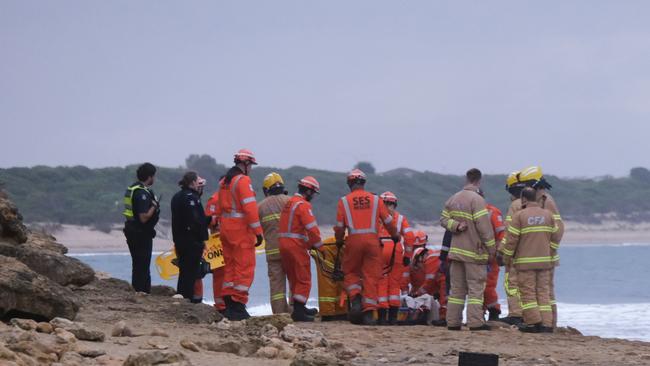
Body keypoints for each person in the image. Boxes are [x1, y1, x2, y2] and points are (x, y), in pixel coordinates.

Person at [334, 169, 400, 325]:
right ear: (364, 183)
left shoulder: (344, 201)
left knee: (350, 272)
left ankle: (356, 297)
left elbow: (339, 226)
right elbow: (388, 221)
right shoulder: (376, 200)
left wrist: (338, 240)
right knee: (371, 276)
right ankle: (369, 313)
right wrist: (395, 235)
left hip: (353, 241)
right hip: (372, 243)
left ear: (349, 183)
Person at [502, 166, 564, 327]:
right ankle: (548, 323)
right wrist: (549, 250)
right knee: (545, 291)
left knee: (521, 288)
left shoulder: (519, 205)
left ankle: (522, 317)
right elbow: (557, 230)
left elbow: (510, 234)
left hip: (524, 257)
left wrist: (504, 254)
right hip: (546, 257)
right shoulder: (548, 201)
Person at [439, 168, 496, 331]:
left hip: (456, 252)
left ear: (467, 179)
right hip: (474, 253)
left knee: (456, 290)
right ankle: (475, 322)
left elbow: (443, 219)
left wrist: (455, 226)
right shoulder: (477, 200)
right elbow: (484, 227)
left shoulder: (453, 198)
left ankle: (453, 322)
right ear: (479, 181)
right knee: (475, 289)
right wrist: (491, 249)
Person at [217, 149, 263, 320]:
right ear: (246, 163)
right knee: (244, 267)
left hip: (226, 228)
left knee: (229, 267)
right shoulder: (243, 181)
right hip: (240, 231)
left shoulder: (224, 181)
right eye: (250, 164)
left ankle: (229, 303)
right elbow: (250, 208)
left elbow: (220, 205)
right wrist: (258, 232)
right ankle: (238, 305)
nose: (251, 168)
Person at [278, 176, 324, 321]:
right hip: (295, 245)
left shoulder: (289, 202)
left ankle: (300, 308)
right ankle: (299, 311)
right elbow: (312, 229)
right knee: (303, 278)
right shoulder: (303, 205)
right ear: (309, 192)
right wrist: (319, 246)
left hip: (284, 244)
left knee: (294, 277)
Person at [376, 191, 416, 325]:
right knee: (394, 285)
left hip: (380, 249)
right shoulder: (400, 218)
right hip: (396, 250)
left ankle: (382, 318)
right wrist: (407, 256)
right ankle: (393, 318)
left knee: (381, 283)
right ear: (395, 204)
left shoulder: (376, 217)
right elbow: (410, 237)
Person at [171, 172, 209, 302]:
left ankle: (182, 297)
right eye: (197, 183)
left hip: (180, 240)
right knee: (191, 273)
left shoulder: (176, 196)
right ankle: (187, 299)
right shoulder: (191, 197)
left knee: (184, 272)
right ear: (192, 182)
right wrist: (201, 239)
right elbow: (196, 220)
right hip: (191, 242)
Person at [122, 162, 160, 293]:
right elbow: (143, 217)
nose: (154, 179)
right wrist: (154, 206)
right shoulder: (141, 193)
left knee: (139, 264)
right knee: (142, 265)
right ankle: (141, 292)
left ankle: (143, 291)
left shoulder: (133, 188)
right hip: (140, 233)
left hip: (133, 230)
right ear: (149, 177)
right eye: (154, 176)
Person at [258, 172, 292, 314]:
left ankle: (279, 314)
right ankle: (295, 311)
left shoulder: (260, 206)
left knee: (276, 285)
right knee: (295, 281)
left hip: (272, 252)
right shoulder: (291, 201)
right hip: (291, 249)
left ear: (266, 190)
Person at [477, 188, 506, 321]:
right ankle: (479, 313)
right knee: (476, 287)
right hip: (474, 255)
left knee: (488, 286)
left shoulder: (492, 212)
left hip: (490, 256)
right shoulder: (469, 212)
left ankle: (494, 311)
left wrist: (496, 253)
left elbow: (501, 234)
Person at [408, 246, 447, 325]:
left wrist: (417, 294)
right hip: (449, 276)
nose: (419, 267)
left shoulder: (430, 260)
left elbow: (429, 283)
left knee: (444, 298)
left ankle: (444, 319)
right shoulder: (435, 256)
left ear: (420, 258)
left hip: (445, 280)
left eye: (417, 264)